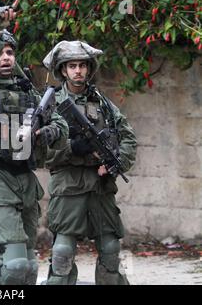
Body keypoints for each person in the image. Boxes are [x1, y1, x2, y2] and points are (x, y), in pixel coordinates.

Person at [0, 1, 69, 285]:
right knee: (16, 262)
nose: (5, 57)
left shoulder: (28, 91)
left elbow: (61, 124)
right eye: (0, 53)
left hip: (24, 180)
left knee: (28, 267)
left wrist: (47, 132)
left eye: (10, 52)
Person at [42, 40, 137, 285]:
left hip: (100, 185)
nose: (78, 71)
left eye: (82, 66)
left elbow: (127, 136)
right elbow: (40, 151)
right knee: (62, 252)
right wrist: (72, 147)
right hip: (68, 184)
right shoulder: (50, 103)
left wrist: (116, 164)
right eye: (72, 66)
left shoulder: (101, 102)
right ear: (63, 70)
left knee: (110, 249)